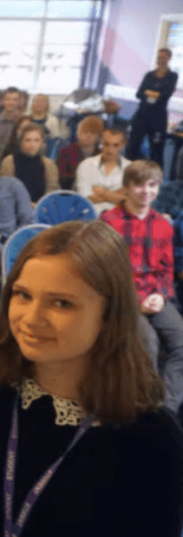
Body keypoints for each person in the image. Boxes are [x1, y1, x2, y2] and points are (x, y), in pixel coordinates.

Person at [0, 220, 183, 537]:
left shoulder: (154, 437)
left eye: (62, 303)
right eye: (23, 294)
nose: (31, 319)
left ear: (109, 314)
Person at [101, 160, 183, 415]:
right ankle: (142, 407)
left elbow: (166, 270)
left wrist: (161, 295)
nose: (146, 191)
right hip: (123, 297)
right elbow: (104, 272)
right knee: (147, 342)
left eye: (152, 185)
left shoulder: (163, 225)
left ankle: (166, 410)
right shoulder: (109, 221)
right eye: (139, 185)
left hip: (154, 295)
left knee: (181, 343)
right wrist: (135, 301)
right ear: (126, 188)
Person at [127, 48, 179, 164]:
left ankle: (157, 179)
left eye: (163, 58)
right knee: (132, 147)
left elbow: (166, 94)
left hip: (158, 118)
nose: (160, 60)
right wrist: (155, 94)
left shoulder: (172, 76)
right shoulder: (149, 75)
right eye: (158, 57)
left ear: (168, 59)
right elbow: (139, 93)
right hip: (142, 114)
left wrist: (149, 92)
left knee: (157, 151)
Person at [0, 123, 59, 204]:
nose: (32, 144)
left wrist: (39, 206)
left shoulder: (48, 164)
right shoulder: (9, 162)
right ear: (21, 142)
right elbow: (7, 191)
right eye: (28, 140)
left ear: (42, 142)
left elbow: (51, 191)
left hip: (41, 208)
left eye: (36, 140)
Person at [75, 127, 129, 214]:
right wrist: (116, 195)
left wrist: (103, 192)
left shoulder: (130, 168)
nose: (110, 149)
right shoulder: (86, 165)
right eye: (106, 144)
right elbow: (85, 199)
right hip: (90, 218)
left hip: (120, 220)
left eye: (115, 145)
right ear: (101, 142)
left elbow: (129, 202)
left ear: (123, 144)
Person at [56, 114, 103, 190]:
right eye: (85, 131)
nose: (88, 135)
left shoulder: (103, 156)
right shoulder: (65, 152)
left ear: (99, 137)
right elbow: (61, 178)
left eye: (93, 133)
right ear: (79, 133)